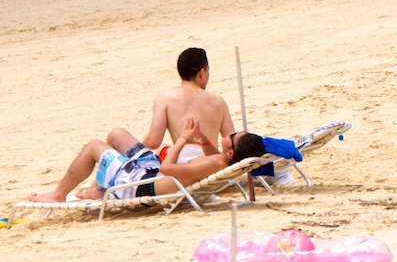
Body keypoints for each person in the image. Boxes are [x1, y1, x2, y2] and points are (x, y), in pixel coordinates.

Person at [27, 117, 265, 203]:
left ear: (231, 152)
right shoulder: (220, 162)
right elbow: (213, 157)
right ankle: (99, 189)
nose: (229, 134)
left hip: (140, 184)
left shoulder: (213, 165)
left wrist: (183, 139)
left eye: (232, 136)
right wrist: (202, 140)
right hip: (150, 173)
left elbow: (168, 167)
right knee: (117, 134)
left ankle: (58, 194)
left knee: (93, 147)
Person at [141, 48, 236, 163]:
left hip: (183, 166)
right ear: (202, 73)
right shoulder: (218, 101)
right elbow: (232, 142)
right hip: (212, 163)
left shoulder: (165, 98)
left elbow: (153, 142)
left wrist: (142, 142)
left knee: (161, 150)